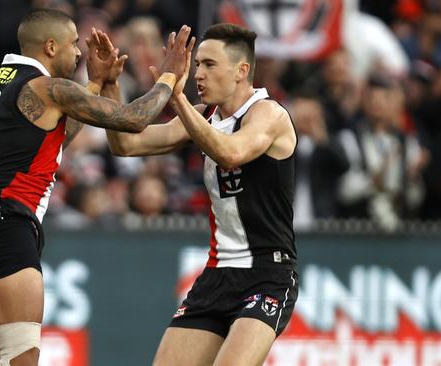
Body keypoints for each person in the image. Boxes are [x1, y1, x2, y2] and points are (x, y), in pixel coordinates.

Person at [0, 8, 193, 366]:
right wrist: (169, 76)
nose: (79, 53)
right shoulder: (46, 86)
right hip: (8, 226)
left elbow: (49, 144)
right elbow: (134, 119)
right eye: (72, 45)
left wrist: (94, 85)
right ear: (50, 46)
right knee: (21, 359)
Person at [103, 23, 299, 365]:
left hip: (267, 274)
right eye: (197, 65)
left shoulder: (269, 114)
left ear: (241, 71)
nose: (198, 74)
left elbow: (231, 153)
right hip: (217, 274)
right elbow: (126, 144)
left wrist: (176, 97)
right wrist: (109, 85)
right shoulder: (203, 115)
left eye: (209, 64)